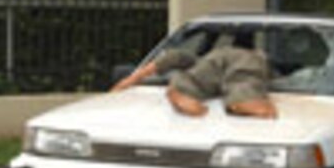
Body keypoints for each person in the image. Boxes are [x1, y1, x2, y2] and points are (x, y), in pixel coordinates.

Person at [112, 35, 277, 119]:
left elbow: (158, 65)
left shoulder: (240, 59)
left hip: (229, 70)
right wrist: (125, 84)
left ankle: (184, 90)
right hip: (223, 71)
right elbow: (168, 61)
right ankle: (246, 99)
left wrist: (126, 83)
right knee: (241, 80)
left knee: (240, 78)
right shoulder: (201, 61)